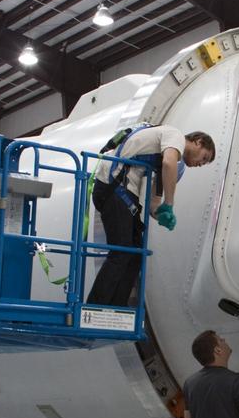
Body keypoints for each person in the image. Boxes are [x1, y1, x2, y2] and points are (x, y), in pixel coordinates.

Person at [87, 125, 215, 307]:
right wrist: (170, 203)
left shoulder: (166, 157)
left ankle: (116, 307)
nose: (201, 164)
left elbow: (153, 202)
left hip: (121, 192)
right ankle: (95, 307)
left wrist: (162, 214)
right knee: (122, 250)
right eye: (204, 158)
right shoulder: (175, 137)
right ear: (198, 142)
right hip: (113, 186)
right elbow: (168, 164)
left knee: (135, 253)